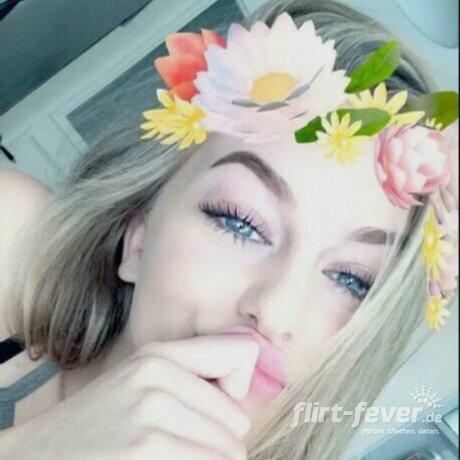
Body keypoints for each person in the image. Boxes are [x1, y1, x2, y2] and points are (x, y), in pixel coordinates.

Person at [0, 0, 458, 459]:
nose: (274, 312)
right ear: (139, 235)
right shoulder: (14, 238)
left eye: (352, 280)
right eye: (241, 222)